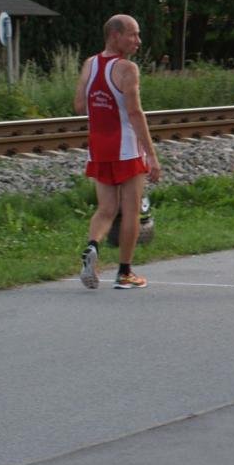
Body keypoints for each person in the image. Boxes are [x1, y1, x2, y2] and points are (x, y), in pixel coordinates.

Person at [76, 14, 162, 290]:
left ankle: (92, 246)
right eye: (132, 34)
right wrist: (152, 155)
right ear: (115, 35)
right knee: (131, 210)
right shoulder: (127, 68)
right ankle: (125, 272)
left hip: (98, 147)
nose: (138, 41)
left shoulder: (90, 64)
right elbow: (135, 113)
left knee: (106, 209)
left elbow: (79, 105)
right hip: (126, 148)